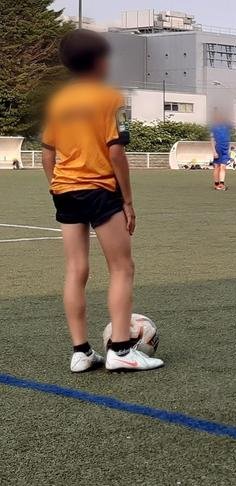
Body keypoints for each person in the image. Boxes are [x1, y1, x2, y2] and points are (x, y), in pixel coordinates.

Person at [41, 29, 163, 373]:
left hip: (65, 192)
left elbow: (47, 152)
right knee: (122, 268)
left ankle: (81, 352)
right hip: (101, 192)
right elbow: (116, 152)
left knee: (76, 270)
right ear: (98, 62)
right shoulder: (110, 98)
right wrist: (128, 201)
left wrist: (56, 186)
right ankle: (122, 349)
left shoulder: (57, 102)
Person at [211, 114, 232, 190]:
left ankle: (222, 184)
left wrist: (229, 149)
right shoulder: (214, 127)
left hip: (225, 149)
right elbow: (212, 140)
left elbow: (228, 139)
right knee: (217, 166)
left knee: (223, 166)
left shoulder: (226, 128)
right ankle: (216, 184)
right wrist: (214, 151)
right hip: (218, 148)